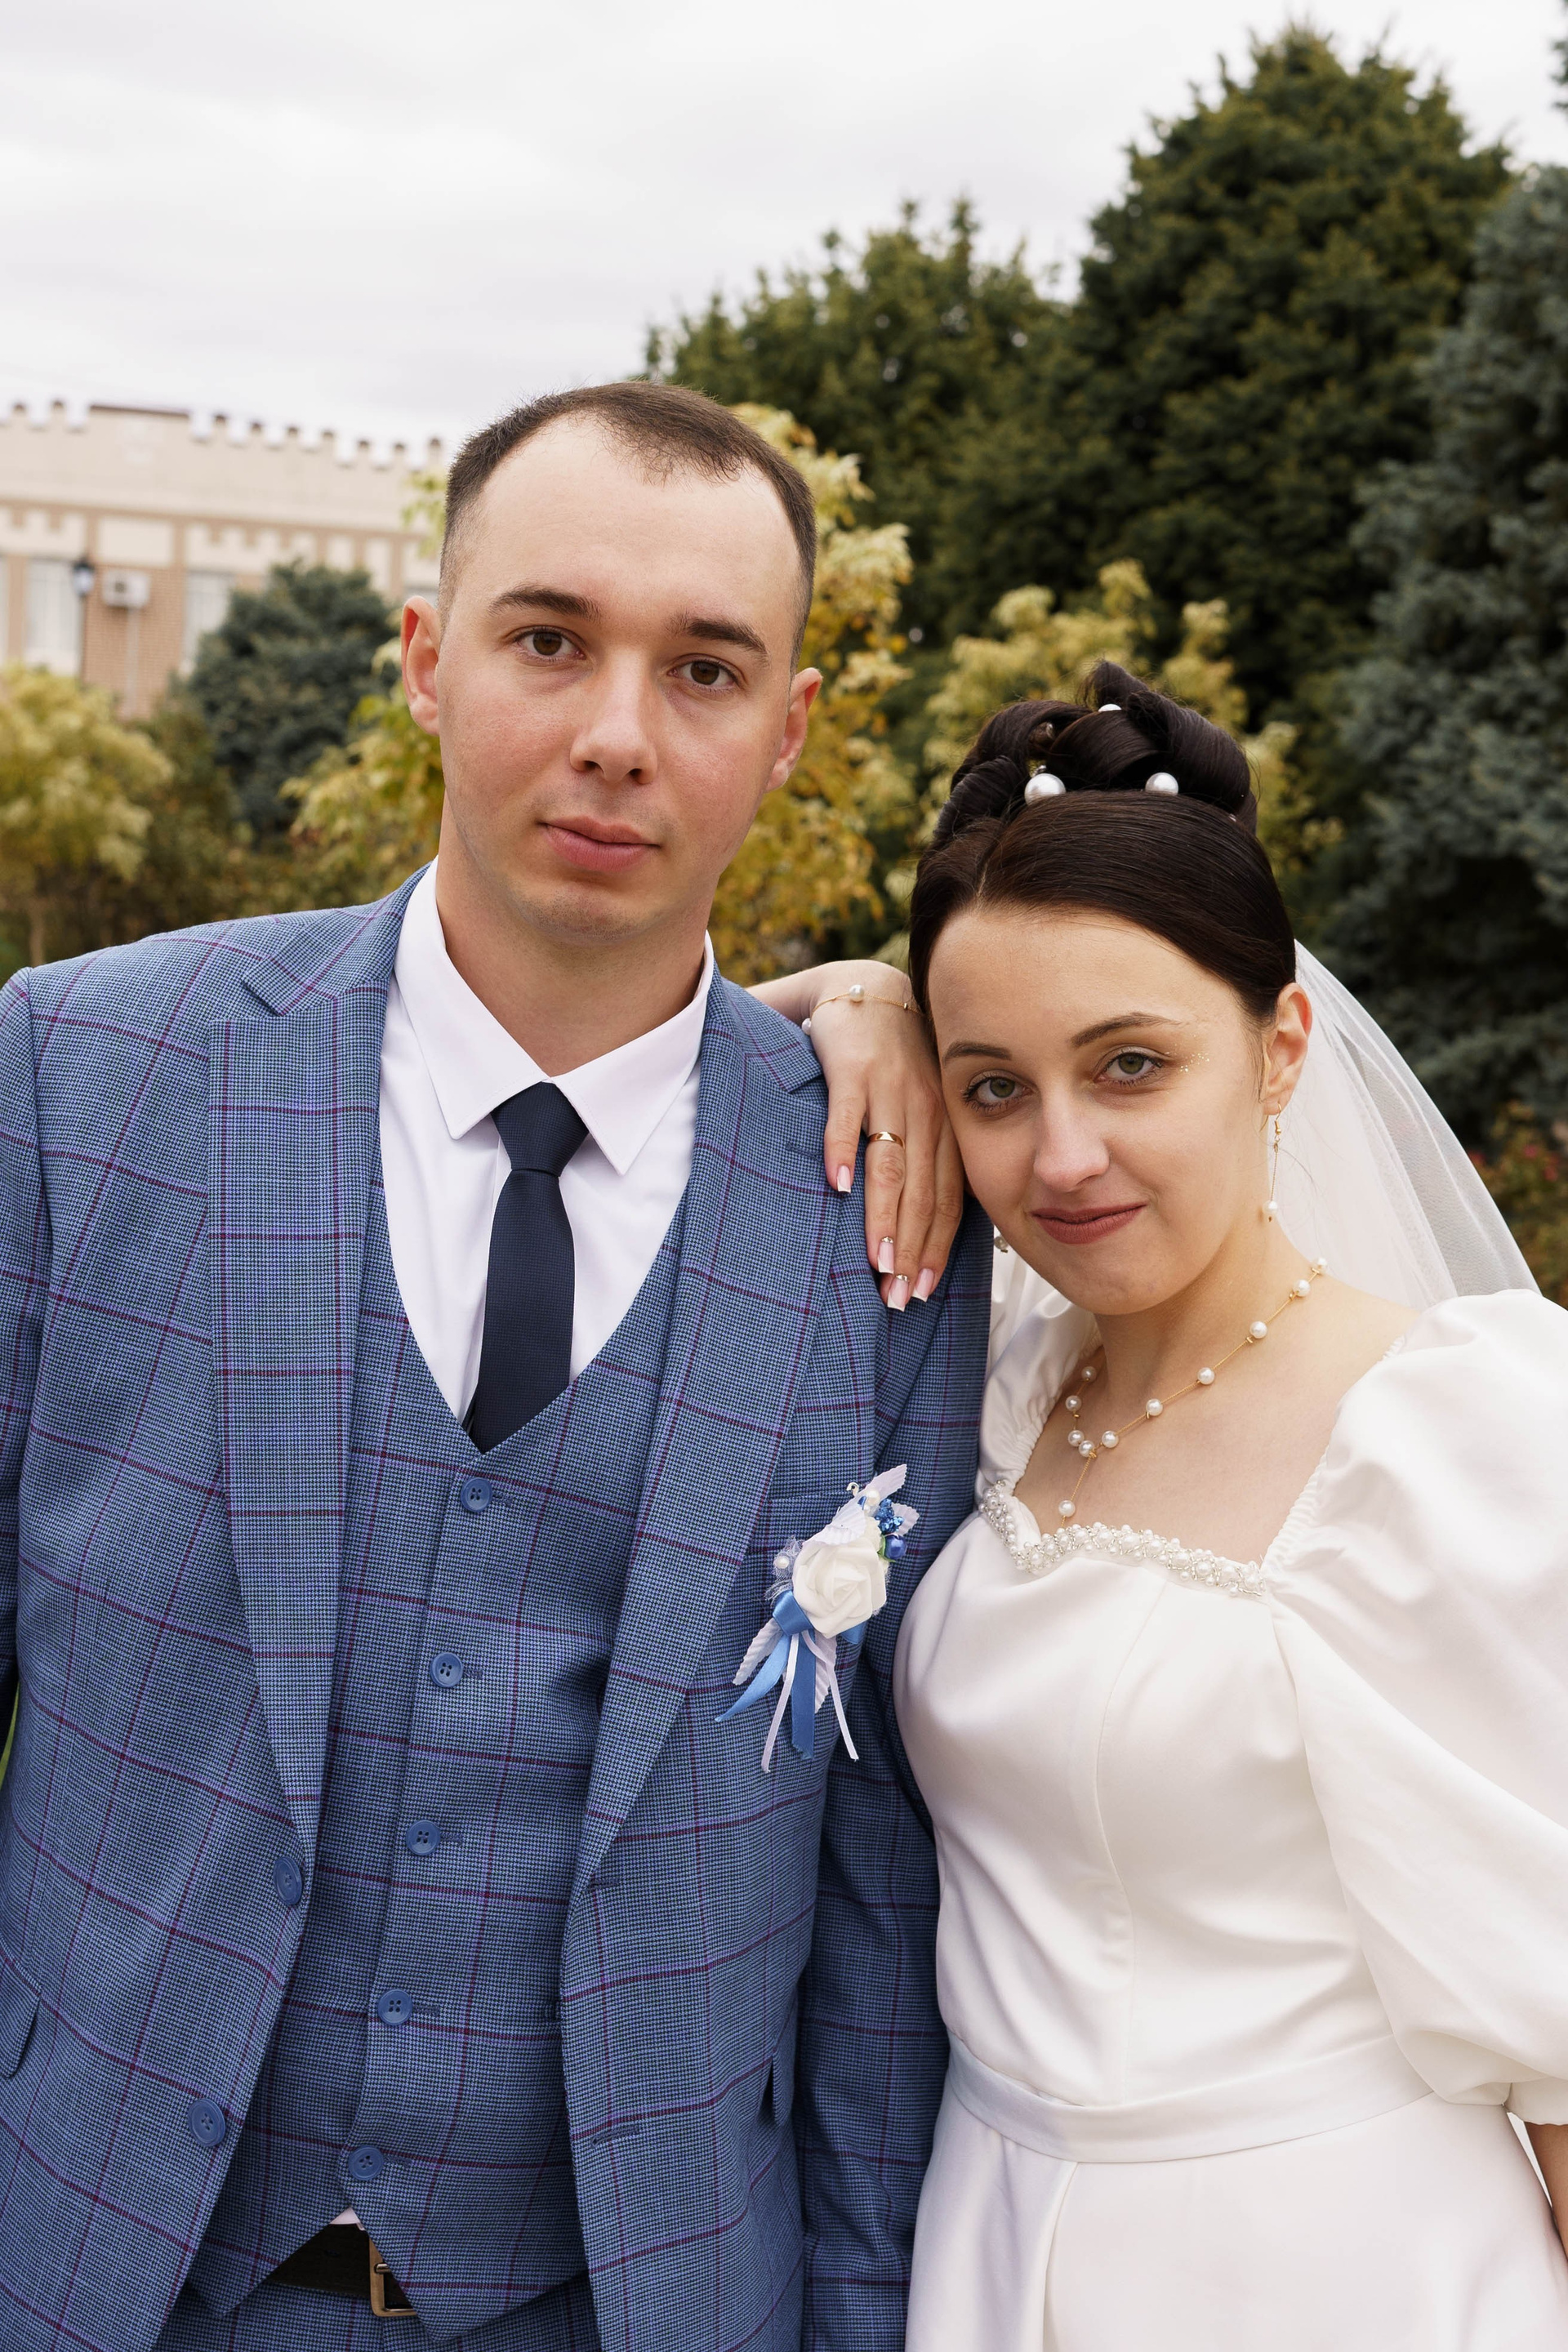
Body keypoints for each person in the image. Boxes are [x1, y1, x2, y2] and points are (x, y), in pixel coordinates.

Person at [0, 383, 987, 2352]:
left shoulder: (886, 1217)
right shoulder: (79, 1076)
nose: (619, 732)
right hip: (95, 2260)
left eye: (703, 669)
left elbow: (885, 1916)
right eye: (550, 639)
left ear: (788, 728)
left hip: (638, 2300)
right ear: (428, 661)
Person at [887, 664, 1568, 2348]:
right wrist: (842, 1006)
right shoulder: (992, 1389)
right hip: (987, 2242)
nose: (1061, 1157)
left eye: (1130, 1066)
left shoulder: (1454, 1432)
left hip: (1331, 2270)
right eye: (993, 1087)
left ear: (1280, 1050)